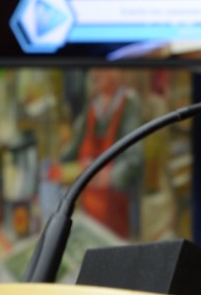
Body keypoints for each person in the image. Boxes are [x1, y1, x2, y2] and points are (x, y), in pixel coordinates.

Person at [57, 68, 142, 238]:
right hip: (89, 209)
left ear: (115, 72)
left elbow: (135, 159)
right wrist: (58, 164)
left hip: (116, 211)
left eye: (101, 69)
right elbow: (74, 148)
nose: (95, 75)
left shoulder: (128, 103)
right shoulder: (92, 107)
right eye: (92, 70)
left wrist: (108, 176)